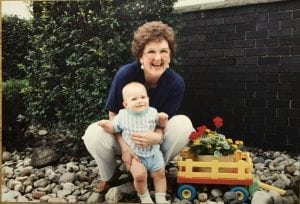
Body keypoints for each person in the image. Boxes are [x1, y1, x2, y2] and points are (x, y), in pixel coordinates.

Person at [82, 20, 194, 197]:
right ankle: (110, 175)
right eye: (151, 52)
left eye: (164, 51)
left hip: (152, 142)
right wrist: (125, 149)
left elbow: (164, 121)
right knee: (93, 133)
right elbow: (113, 116)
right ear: (141, 56)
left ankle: (156, 171)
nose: (158, 58)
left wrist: (157, 137)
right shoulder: (125, 74)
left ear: (170, 56)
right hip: (125, 135)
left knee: (184, 125)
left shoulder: (176, 83)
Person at [98, 81, 169, 203]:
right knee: (140, 176)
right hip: (136, 155)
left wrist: (163, 119)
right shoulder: (122, 115)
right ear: (126, 104)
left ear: (148, 98)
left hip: (154, 153)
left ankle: (161, 197)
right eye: (134, 99)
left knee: (160, 175)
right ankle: (145, 198)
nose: (140, 101)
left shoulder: (152, 112)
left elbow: (161, 126)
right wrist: (106, 126)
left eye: (143, 97)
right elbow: (114, 128)